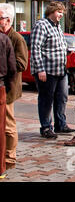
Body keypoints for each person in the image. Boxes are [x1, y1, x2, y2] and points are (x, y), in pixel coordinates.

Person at [31, 1, 75, 139]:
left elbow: (59, 47)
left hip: (60, 70)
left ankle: (60, 124)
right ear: (51, 11)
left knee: (62, 97)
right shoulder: (41, 25)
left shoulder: (57, 27)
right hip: (47, 70)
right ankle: (46, 127)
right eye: (59, 12)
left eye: (62, 12)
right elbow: (35, 48)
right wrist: (40, 69)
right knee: (46, 99)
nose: (61, 15)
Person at [0, 4, 28, 171]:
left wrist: (5, 62)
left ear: (8, 20)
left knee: (9, 124)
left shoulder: (16, 38)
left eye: (0, 18)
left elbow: (22, 64)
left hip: (10, 86)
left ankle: (10, 158)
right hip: (3, 85)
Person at [0, 31, 16, 180]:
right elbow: (12, 68)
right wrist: (8, 86)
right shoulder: (4, 39)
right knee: (1, 130)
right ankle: (1, 169)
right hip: (0, 86)